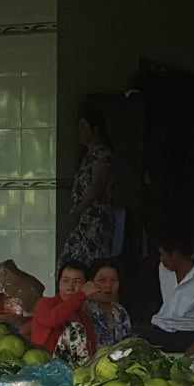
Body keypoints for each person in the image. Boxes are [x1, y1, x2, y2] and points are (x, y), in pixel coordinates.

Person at [142, 241, 194, 353]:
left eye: (163, 255)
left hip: (191, 334)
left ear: (175, 255)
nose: (161, 259)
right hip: (162, 330)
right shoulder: (163, 269)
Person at [61, 104, 115, 267]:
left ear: (95, 129)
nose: (80, 131)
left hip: (94, 222)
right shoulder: (87, 155)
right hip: (84, 221)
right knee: (69, 262)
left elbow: (96, 187)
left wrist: (78, 210)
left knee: (82, 262)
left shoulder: (102, 154)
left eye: (84, 127)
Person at [30, 261, 99, 363]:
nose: (70, 287)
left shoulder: (84, 315)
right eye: (65, 281)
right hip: (45, 371)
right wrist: (81, 295)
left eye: (77, 282)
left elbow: (90, 349)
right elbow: (53, 319)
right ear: (59, 283)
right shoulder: (45, 304)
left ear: (86, 285)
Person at [85, 260, 135, 349]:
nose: (108, 285)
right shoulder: (84, 310)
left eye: (113, 281)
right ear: (90, 283)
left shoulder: (121, 312)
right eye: (102, 280)